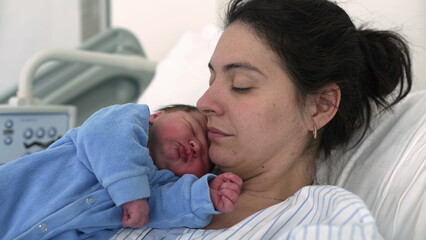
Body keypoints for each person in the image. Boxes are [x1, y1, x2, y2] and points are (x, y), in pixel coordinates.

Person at [110, 0, 412, 239]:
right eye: (211, 79)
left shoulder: (327, 221)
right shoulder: (149, 178)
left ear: (320, 106)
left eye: (241, 84)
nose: (204, 102)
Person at [0, 103, 242, 240]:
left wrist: (205, 195)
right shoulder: (126, 120)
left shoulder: (156, 190)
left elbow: (168, 206)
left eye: (205, 157)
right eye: (192, 128)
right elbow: (105, 138)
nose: (196, 145)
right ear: (156, 117)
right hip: (13, 199)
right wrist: (132, 195)